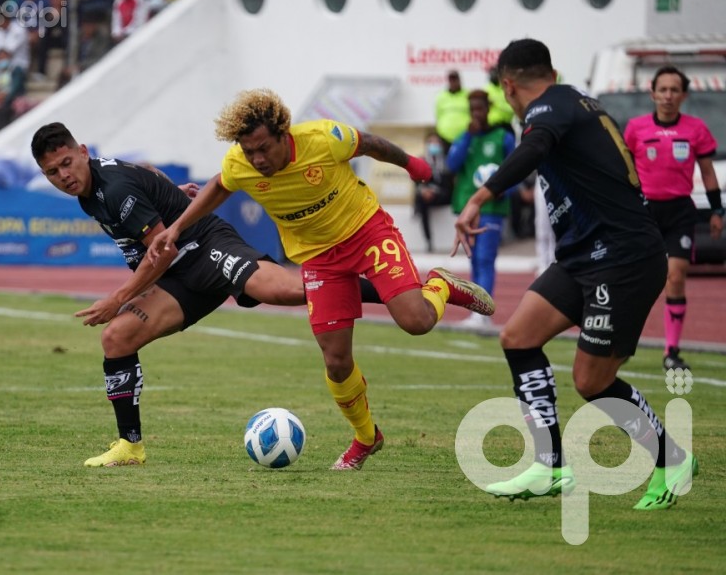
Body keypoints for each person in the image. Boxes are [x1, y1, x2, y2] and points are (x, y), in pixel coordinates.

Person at [148, 88, 495, 471]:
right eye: (250, 152)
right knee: (336, 360)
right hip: (317, 257)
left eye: (264, 148)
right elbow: (218, 186)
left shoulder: (324, 138)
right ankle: (366, 437)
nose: (258, 159)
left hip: (366, 232)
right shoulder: (239, 163)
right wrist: (177, 228)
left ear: (284, 134)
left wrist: (414, 166)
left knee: (416, 322)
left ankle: (441, 285)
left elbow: (373, 145)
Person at [31, 122, 386, 467]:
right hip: (180, 278)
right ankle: (130, 447)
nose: (63, 175)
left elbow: (162, 250)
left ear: (83, 152)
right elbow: (146, 170)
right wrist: (170, 194)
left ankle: (392, 289)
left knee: (285, 291)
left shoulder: (115, 188)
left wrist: (116, 299)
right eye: (52, 172)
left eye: (67, 163)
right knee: (117, 338)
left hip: (205, 248)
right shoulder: (90, 188)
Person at [453, 39, 697, 510]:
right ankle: (550, 465)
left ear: (508, 85)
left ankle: (672, 459)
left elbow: (537, 146)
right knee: (519, 336)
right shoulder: (574, 102)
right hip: (584, 255)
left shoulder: (548, 107)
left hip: (622, 258)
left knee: (591, 381)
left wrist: (479, 197)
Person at [623, 66, 722, 372]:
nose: (668, 96)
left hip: (680, 212)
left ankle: (671, 352)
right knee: (636, 280)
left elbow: (707, 172)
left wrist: (717, 211)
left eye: (674, 90)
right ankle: (622, 344)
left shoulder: (696, 129)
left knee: (676, 278)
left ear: (684, 95)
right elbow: (624, 171)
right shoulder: (635, 128)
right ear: (652, 93)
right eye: (662, 90)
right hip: (643, 213)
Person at [446, 89, 516, 328]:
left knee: (485, 258)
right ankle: (477, 310)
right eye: (472, 109)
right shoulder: (465, 137)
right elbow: (452, 164)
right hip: (466, 206)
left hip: (491, 206)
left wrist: (507, 189)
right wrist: (467, 137)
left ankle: (483, 313)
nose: (477, 113)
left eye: (480, 108)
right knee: (474, 259)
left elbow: (517, 167)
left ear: (487, 108)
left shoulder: (502, 137)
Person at [412, 132, 454, 253]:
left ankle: (418, 209)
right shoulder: (422, 160)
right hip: (427, 196)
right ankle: (429, 241)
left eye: (437, 142)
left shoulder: (447, 161)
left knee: (425, 199)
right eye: (431, 142)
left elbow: (448, 184)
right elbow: (417, 182)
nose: (434, 145)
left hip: (444, 195)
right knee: (421, 199)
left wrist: (434, 191)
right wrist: (425, 190)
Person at [434, 69, 470, 153]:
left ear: (459, 80)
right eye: (451, 79)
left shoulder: (467, 94)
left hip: (464, 137)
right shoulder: (441, 97)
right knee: (446, 163)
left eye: (455, 79)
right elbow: (438, 116)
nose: (453, 82)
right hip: (445, 137)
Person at [484, 66, 515, 132]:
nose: (493, 75)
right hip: (492, 125)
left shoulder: (507, 89)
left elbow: (512, 109)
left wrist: (495, 104)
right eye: (491, 73)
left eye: (495, 73)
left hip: (506, 125)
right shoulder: (486, 90)